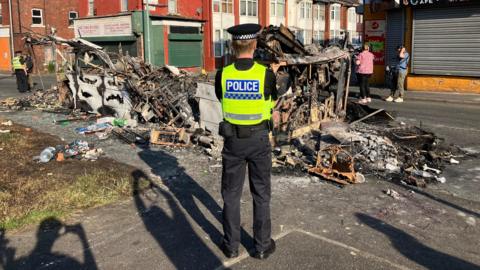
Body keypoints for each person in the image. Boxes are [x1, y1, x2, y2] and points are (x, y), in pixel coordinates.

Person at [214, 23, 277, 260]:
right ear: (254, 45)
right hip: (259, 140)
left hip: (232, 142)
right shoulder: (265, 73)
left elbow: (221, 98)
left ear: (233, 45)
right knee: (261, 193)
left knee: (231, 194)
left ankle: (231, 246)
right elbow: (272, 100)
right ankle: (261, 246)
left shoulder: (223, 74)